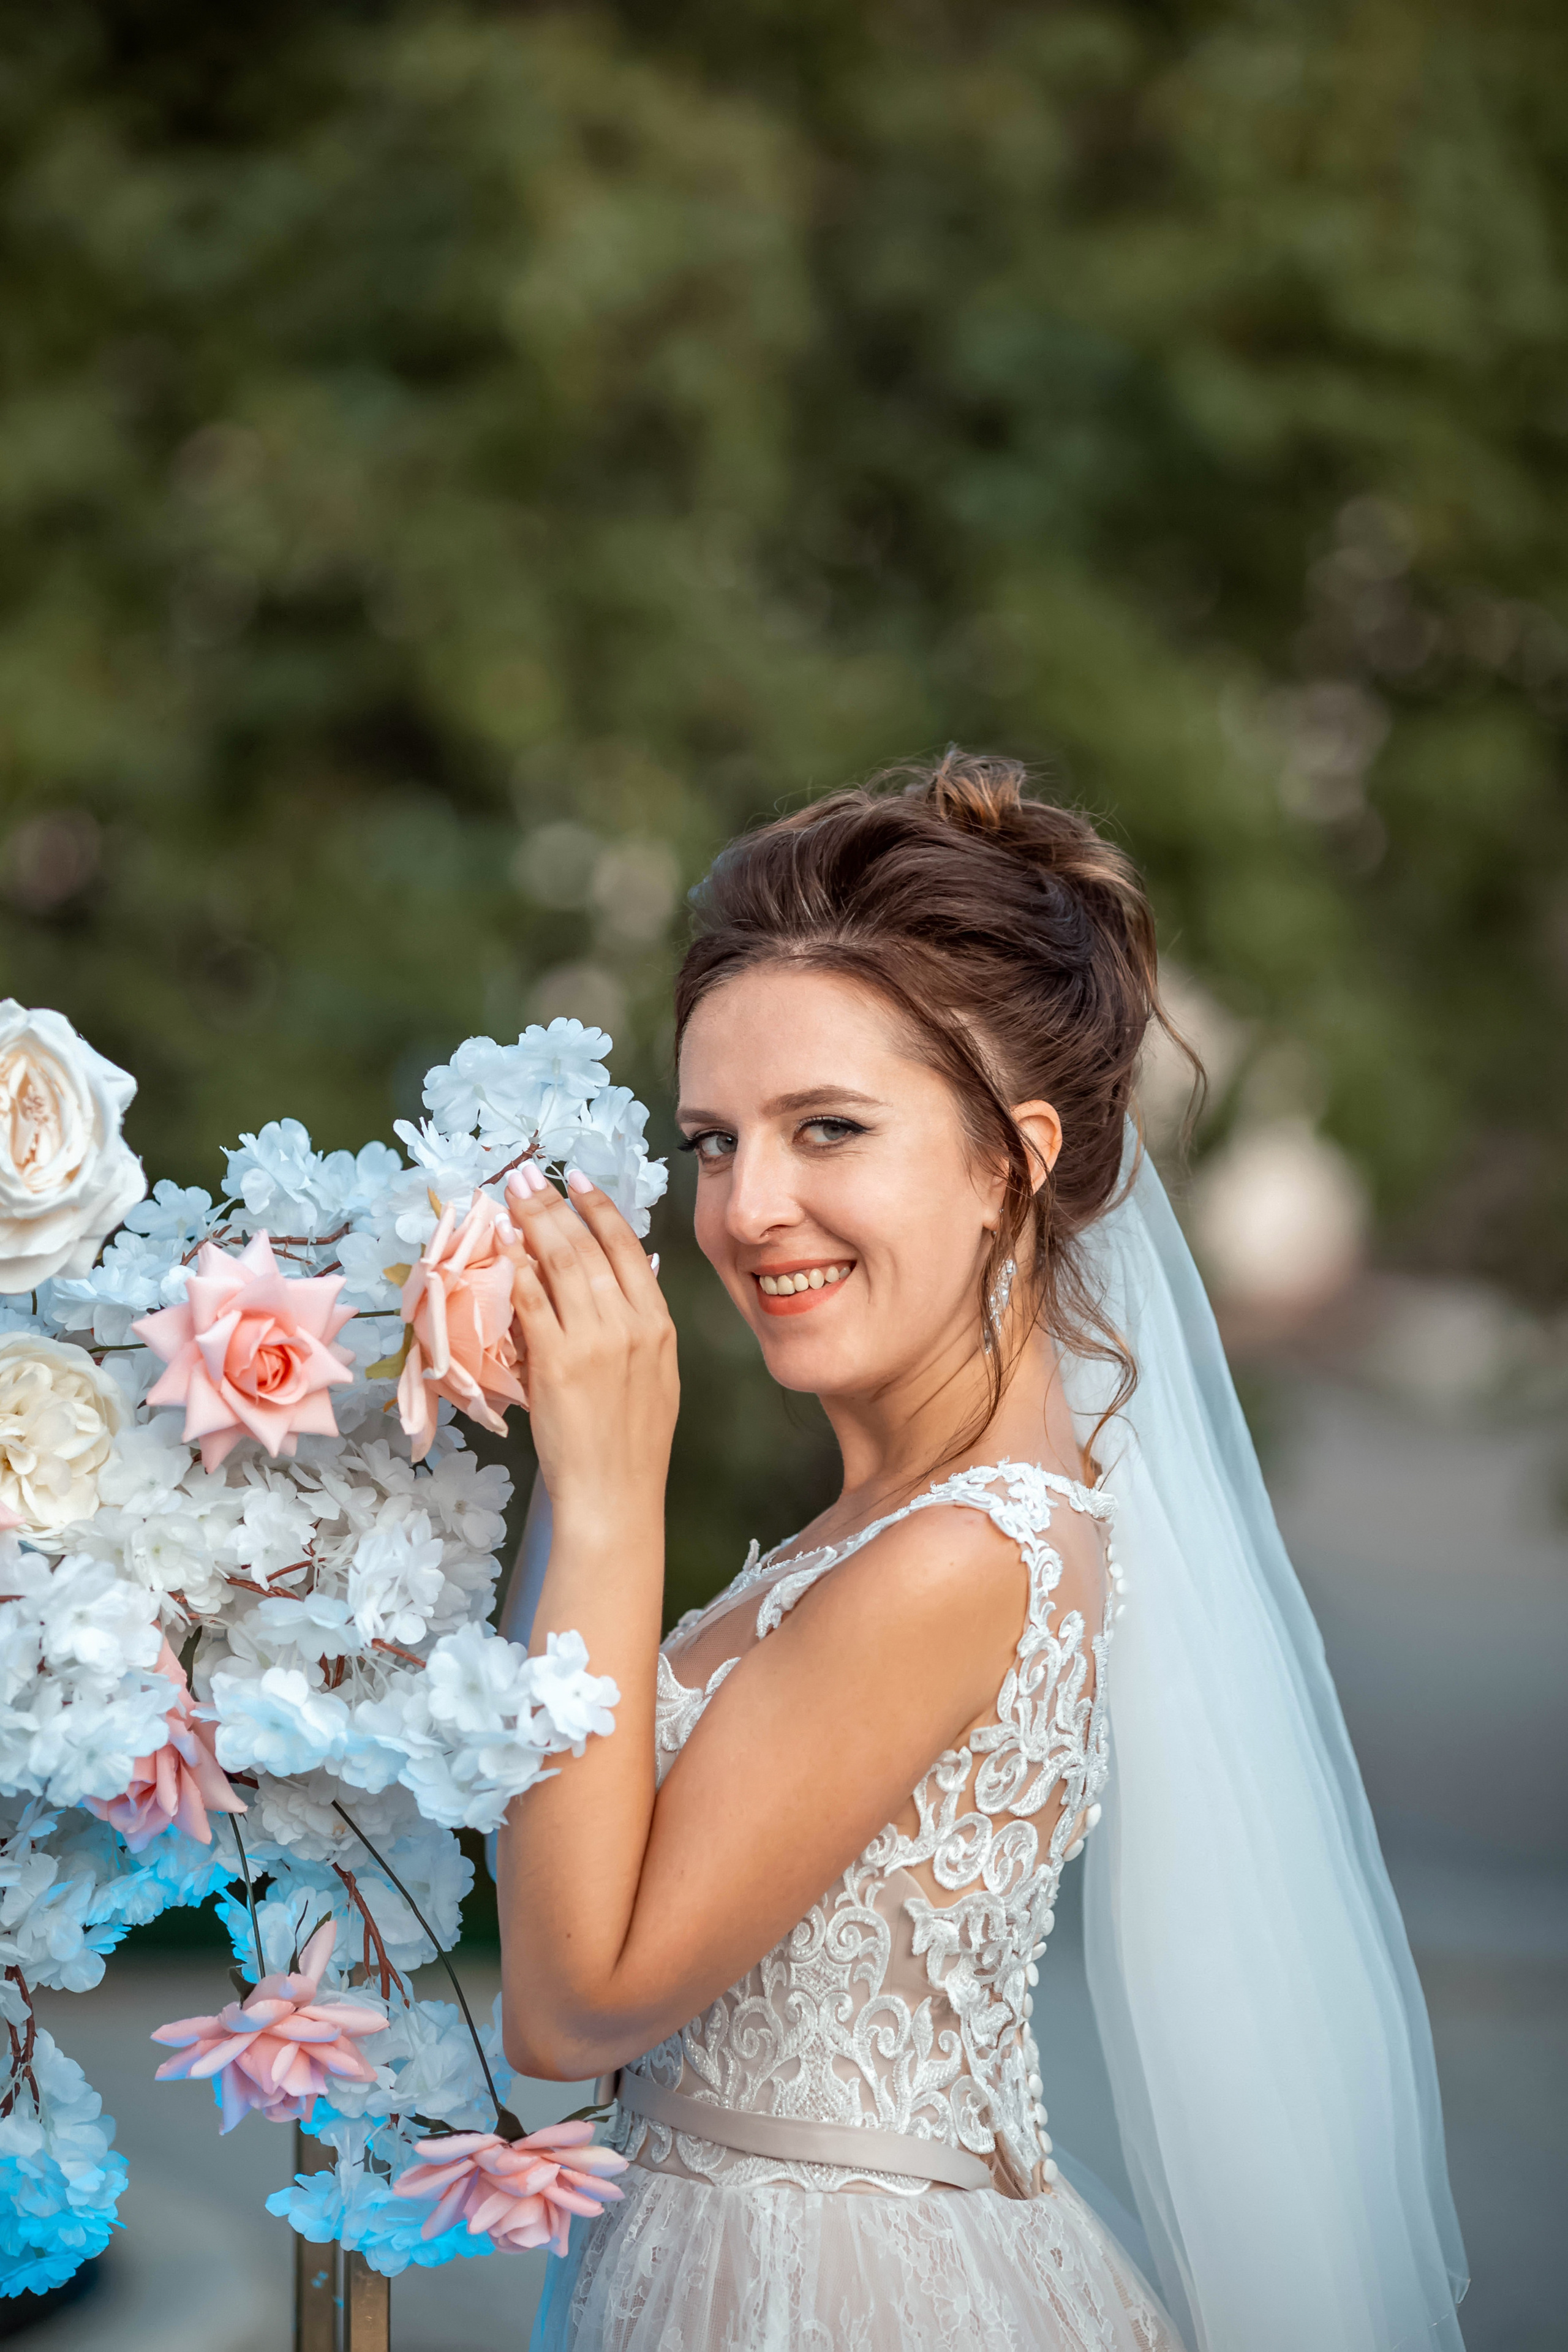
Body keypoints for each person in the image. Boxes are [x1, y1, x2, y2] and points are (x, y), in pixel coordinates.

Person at [496, 753, 1467, 2352]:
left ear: (1007, 1158)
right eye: (714, 1143)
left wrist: (605, 1495)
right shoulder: (887, 1525)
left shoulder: (965, 1555)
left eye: (828, 1129)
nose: (749, 1209)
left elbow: (575, 2006)